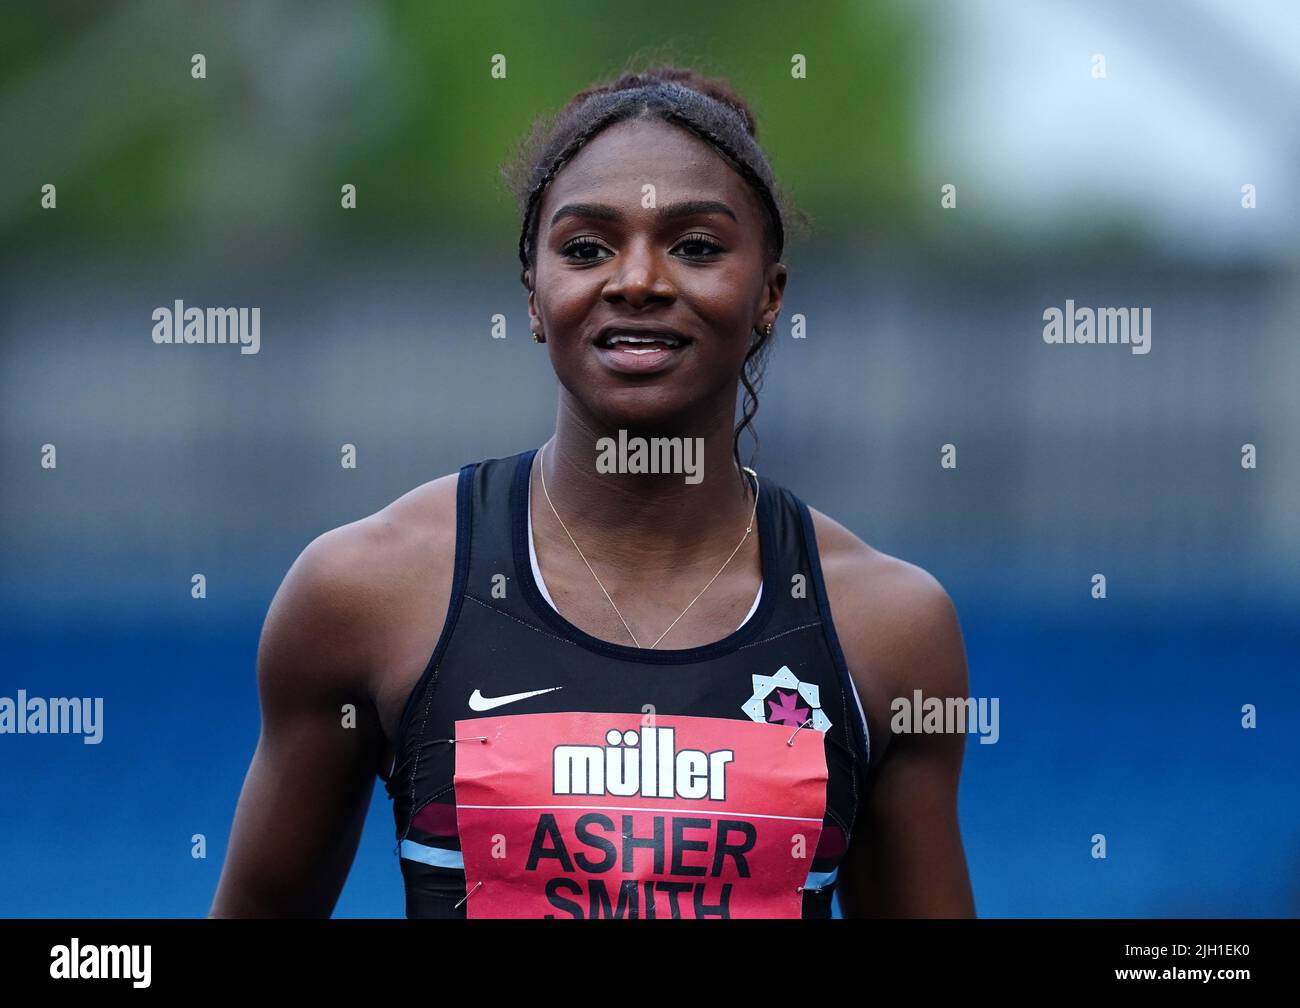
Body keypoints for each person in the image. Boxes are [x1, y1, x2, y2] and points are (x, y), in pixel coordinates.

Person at [209, 65, 975, 919]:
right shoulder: (367, 591)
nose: (638, 280)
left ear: (769, 296)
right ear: (533, 294)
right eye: (585, 248)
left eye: (696, 246)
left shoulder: (887, 629)